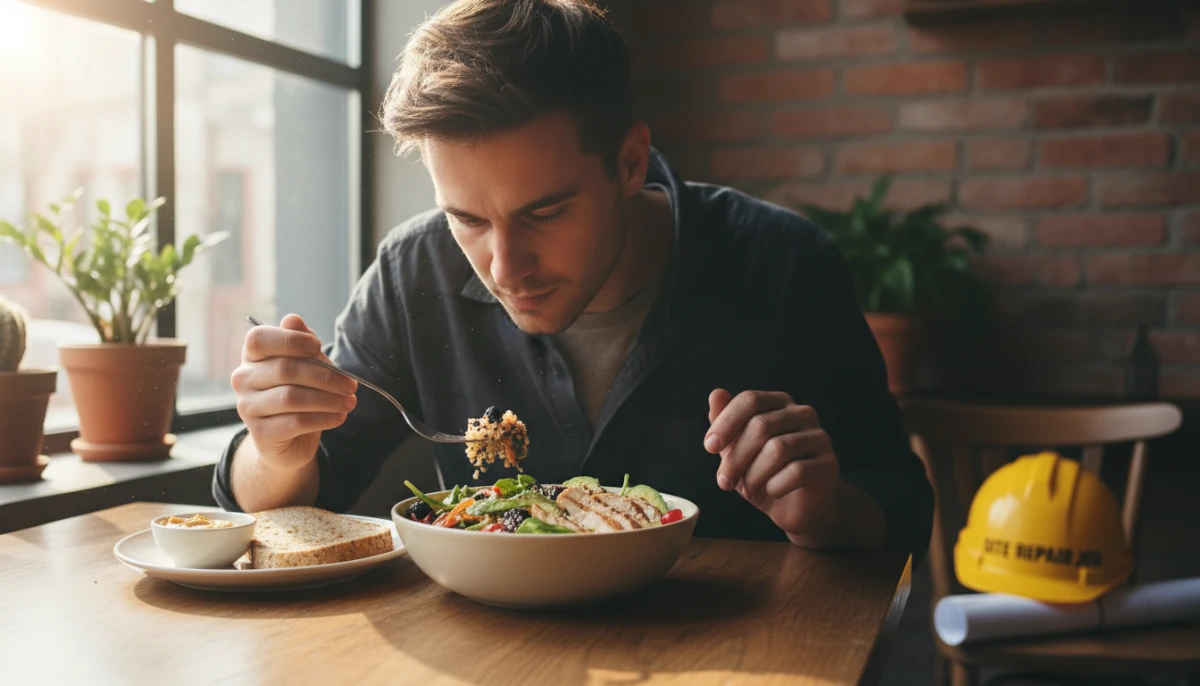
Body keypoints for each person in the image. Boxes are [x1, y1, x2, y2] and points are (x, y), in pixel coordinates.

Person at [214, 0, 934, 558]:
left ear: (629, 162)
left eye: (545, 212)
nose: (504, 266)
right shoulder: (413, 270)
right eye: (466, 218)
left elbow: (901, 503)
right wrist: (277, 448)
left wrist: (829, 508)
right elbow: (292, 496)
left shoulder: (782, 264)